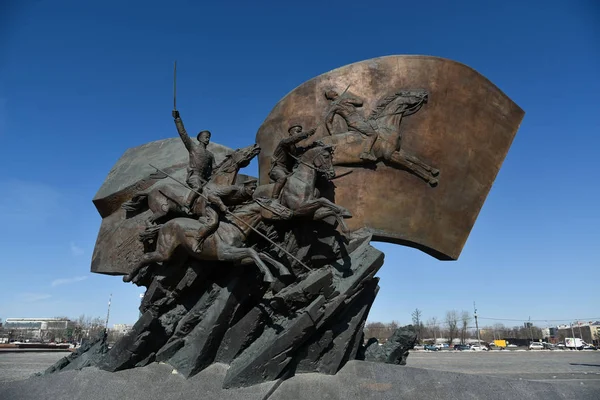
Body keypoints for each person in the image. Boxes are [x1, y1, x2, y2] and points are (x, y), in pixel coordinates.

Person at [172, 110, 216, 214]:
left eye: (209, 137)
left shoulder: (210, 155)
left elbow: (214, 168)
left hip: (205, 179)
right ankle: (186, 205)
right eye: (206, 137)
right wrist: (178, 119)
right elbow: (183, 134)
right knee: (198, 187)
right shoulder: (193, 148)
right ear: (200, 138)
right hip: (194, 177)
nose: (208, 139)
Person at [324, 89, 378, 161]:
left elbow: (360, 102)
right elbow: (328, 120)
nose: (333, 91)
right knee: (373, 134)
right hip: (354, 122)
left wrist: (348, 100)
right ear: (330, 96)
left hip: (361, 120)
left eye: (332, 90)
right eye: (330, 92)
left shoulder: (345, 100)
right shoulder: (335, 106)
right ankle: (365, 153)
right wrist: (332, 133)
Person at [269, 125, 316, 198]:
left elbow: (303, 151)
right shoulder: (284, 142)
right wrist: (306, 133)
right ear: (290, 133)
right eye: (297, 131)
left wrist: (313, 146)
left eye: (300, 132)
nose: (299, 133)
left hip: (288, 170)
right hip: (277, 168)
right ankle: (274, 198)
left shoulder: (294, 149)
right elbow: (293, 139)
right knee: (282, 177)